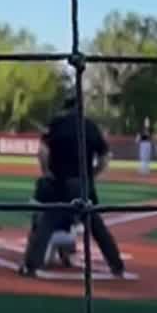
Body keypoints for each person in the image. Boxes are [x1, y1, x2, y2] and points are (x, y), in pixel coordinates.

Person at [21, 94, 127, 278]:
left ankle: (31, 266)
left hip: (60, 182)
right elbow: (104, 157)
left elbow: (43, 152)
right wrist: (93, 175)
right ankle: (116, 265)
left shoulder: (57, 124)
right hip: (82, 183)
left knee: (47, 223)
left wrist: (47, 173)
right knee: (96, 226)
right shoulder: (90, 126)